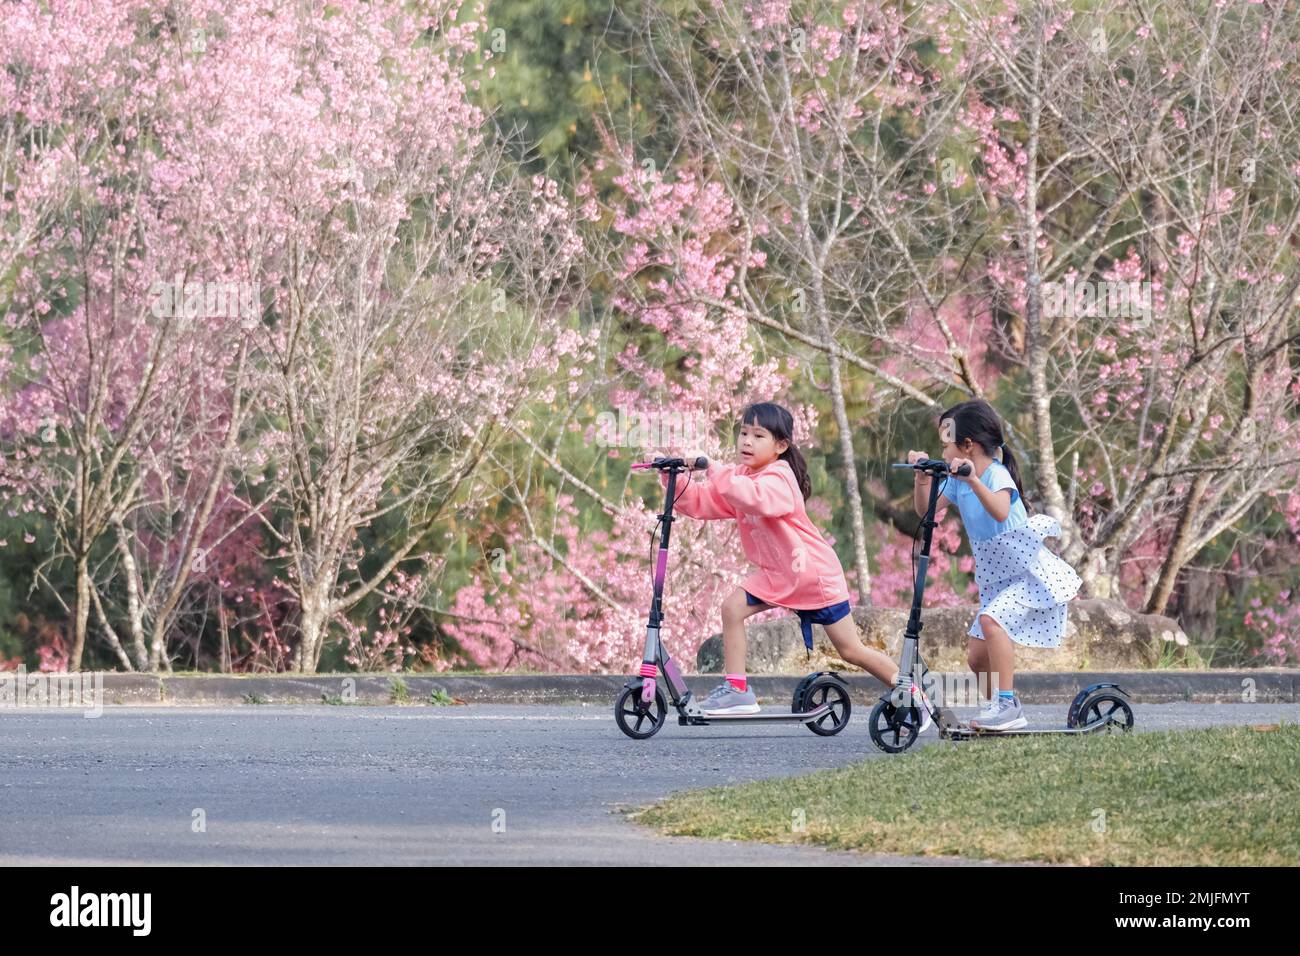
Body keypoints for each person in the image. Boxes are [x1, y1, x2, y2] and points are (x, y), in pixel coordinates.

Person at [665, 401, 928, 721]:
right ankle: (737, 691)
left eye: (758, 435)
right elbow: (704, 502)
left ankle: (911, 692)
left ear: (781, 446)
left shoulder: (779, 477)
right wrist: (674, 480)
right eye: (743, 432)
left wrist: (713, 469)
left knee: (851, 650)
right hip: (778, 573)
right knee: (731, 608)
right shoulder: (741, 476)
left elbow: (754, 498)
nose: (746, 441)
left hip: (812, 575)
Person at [907, 399, 1081, 730]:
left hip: (1024, 573)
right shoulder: (958, 481)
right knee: (976, 655)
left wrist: (973, 480)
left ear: (968, 446)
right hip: (996, 578)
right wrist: (922, 479)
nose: (942, 453)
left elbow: (1000, 511)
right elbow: (926, 512)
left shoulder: (996, 474)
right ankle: (995, 709)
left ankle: (1007, 707)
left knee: (991, 621)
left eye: (946, 445)